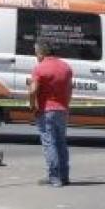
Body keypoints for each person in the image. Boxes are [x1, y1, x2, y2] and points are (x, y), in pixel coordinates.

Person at [29, 41, 73, 187]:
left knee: (49, 144)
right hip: (62, 110)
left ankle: (54, 178)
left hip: (46, 110)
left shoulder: (39, 68)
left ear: (41, 53)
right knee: (61, 143)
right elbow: (69, 89)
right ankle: (65, 176)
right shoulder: (66, 67)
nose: (36, 56)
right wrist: (66, 105)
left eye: (36, 53)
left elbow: (33, 90)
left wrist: (32, 105)